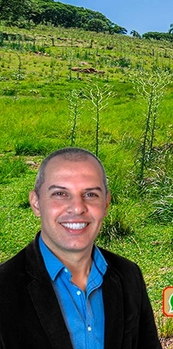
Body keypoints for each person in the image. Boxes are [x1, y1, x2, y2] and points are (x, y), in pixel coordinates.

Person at [0, 147, 162, 349]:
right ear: (36, 203)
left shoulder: (129, 275)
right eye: (60, 193)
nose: (77, 208)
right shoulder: (4, 287)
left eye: (90, 194)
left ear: (106, 203)